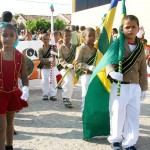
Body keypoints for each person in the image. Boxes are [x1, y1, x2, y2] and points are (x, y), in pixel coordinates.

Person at [106, 15, 148, 150]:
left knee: (133, 116)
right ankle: (116, 140)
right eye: (127, 27)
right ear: (122, 29)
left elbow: (142, 68)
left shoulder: (141, 47)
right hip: (120, 86)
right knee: (117, 114)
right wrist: (111, 72)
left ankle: (129, 142)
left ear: (138, 28)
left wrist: (144, 87)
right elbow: (109, 61)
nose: (130, 29)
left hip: (135, 87)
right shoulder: (117, 44)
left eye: (133, 27)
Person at [0, 24, 29, 150]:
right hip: (0, 94)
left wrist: (26, 87)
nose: (8, 38)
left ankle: (9, 146)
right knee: (1, 126)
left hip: (12, 93)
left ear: (16, 37)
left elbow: (24, 75)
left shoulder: (19, 56)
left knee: (10, 123)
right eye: (4, 35)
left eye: (11, 35)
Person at [74, 27, 97, 113]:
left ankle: (92, 110)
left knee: (94, 93)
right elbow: (77, 62)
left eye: (94, 36)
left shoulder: (96, 48)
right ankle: (84, 111)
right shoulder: (81, 48)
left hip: (94, 74)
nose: (92, 38)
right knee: (86, 93)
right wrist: (88, 67)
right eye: (89, 36)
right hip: (85, 74)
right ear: (84, 37)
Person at [57, 29, 76, 108]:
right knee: (68, 81)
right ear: (62, 36)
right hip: (63, 67)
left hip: (72, 68)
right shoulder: (60, 47)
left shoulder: (74, 47)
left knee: (70, 83)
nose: (68, 37)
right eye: (66, 35)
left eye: (69, 35)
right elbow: (60, 59)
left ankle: (68, 98)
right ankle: (65, 98)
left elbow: (77, 57)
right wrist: (66, 65)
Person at [38, 33, 58, 101]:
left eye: (47, 39)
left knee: (53, 81)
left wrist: (54, 53)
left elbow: (58, 54)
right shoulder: (40, 49)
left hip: (52, 67)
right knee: (45, 81)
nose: (46, 40)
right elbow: (40, 59)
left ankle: (53, 94)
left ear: (49, 39)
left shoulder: (53, 47)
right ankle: (45, 94)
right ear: (42, 40)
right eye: (44, 39)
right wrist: (48, 59)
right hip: (44, 67)